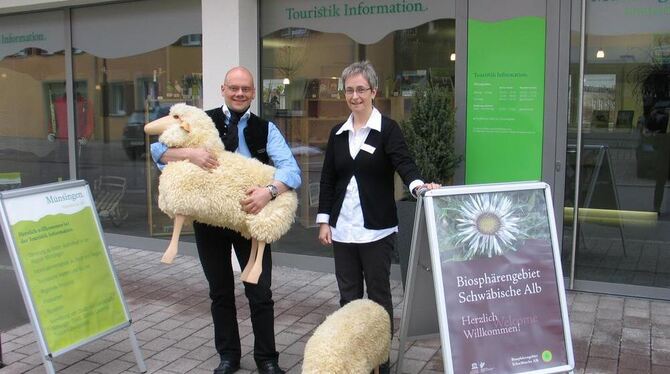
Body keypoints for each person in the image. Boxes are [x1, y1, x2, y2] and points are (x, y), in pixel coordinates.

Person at [150, 66, 300, 374]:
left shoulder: (266, 128)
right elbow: (157, 151)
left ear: (254, 93)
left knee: (260, 292)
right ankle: (228, 356)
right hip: (210, 219)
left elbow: (292, 171)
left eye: (245, 89)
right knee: (219, 290)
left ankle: (267, 359)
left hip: (250, 218)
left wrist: (269, 192)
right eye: (234, 88)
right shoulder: (199, 121)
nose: (239, 93)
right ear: (223, 89)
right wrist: (189, 155)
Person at [316, 61, 439, 374]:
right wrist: (324, 220)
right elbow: (329, 178)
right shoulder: (338, 133)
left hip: (376, 232)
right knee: (349, 298)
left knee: (379, 297)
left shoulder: (387, 130)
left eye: (361, 89)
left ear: (373, 91)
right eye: (349, 90)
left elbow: (404, 163)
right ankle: (355, 357)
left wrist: (418, 186)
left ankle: (381, 361)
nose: (355, 96)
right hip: (342, 231)